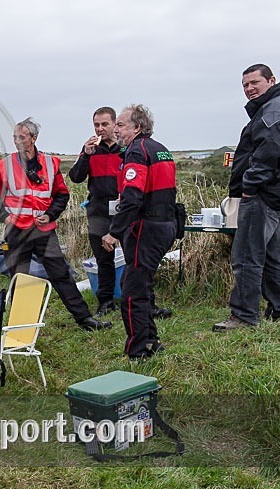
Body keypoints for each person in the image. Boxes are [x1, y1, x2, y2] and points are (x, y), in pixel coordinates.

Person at [0, 117, 111, 331]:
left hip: (44, 232)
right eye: (14, 137)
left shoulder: (51, 163)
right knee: (19, 278)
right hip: (16, 233)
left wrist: (51, 214)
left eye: (22, 137)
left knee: (61, 275)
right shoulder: (4, 165)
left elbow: (62, 195)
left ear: (33, 139)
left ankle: (85, 320)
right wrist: (6, 218)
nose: (16, 141)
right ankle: (18, 326)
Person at [213, 64, 280, 332]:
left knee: (246, 257)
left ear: (271, 80)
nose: (250, 89)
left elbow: (269, 151)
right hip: (276, 197)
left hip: (262, 196)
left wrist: (250, 186)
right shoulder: (276, 106)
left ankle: (243, 315)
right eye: (245, 85)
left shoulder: (274, 109)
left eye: (255, 83)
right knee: (271, 258)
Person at [101, 105, 177, 359]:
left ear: (137, 127)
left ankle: (138, 349)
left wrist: (114, 232)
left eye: (120, 125)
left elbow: (132, 198)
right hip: (166, 224)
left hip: (146, 226)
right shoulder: (160, 149)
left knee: (132, 291)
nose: (116, 129)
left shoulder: (137, 151)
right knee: (140, 284)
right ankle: (151, 340)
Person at [68, 107, 124, 317]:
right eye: (96, 125)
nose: (100, 129)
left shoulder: (125, 148)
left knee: (132, 254)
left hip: (124, 208)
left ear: (114, 124)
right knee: (103, 258)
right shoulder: (91, 150)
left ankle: (132, 299)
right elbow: (75, 177)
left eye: (104, 124)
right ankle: (105, 301)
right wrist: (85, 154)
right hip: (98, 209)